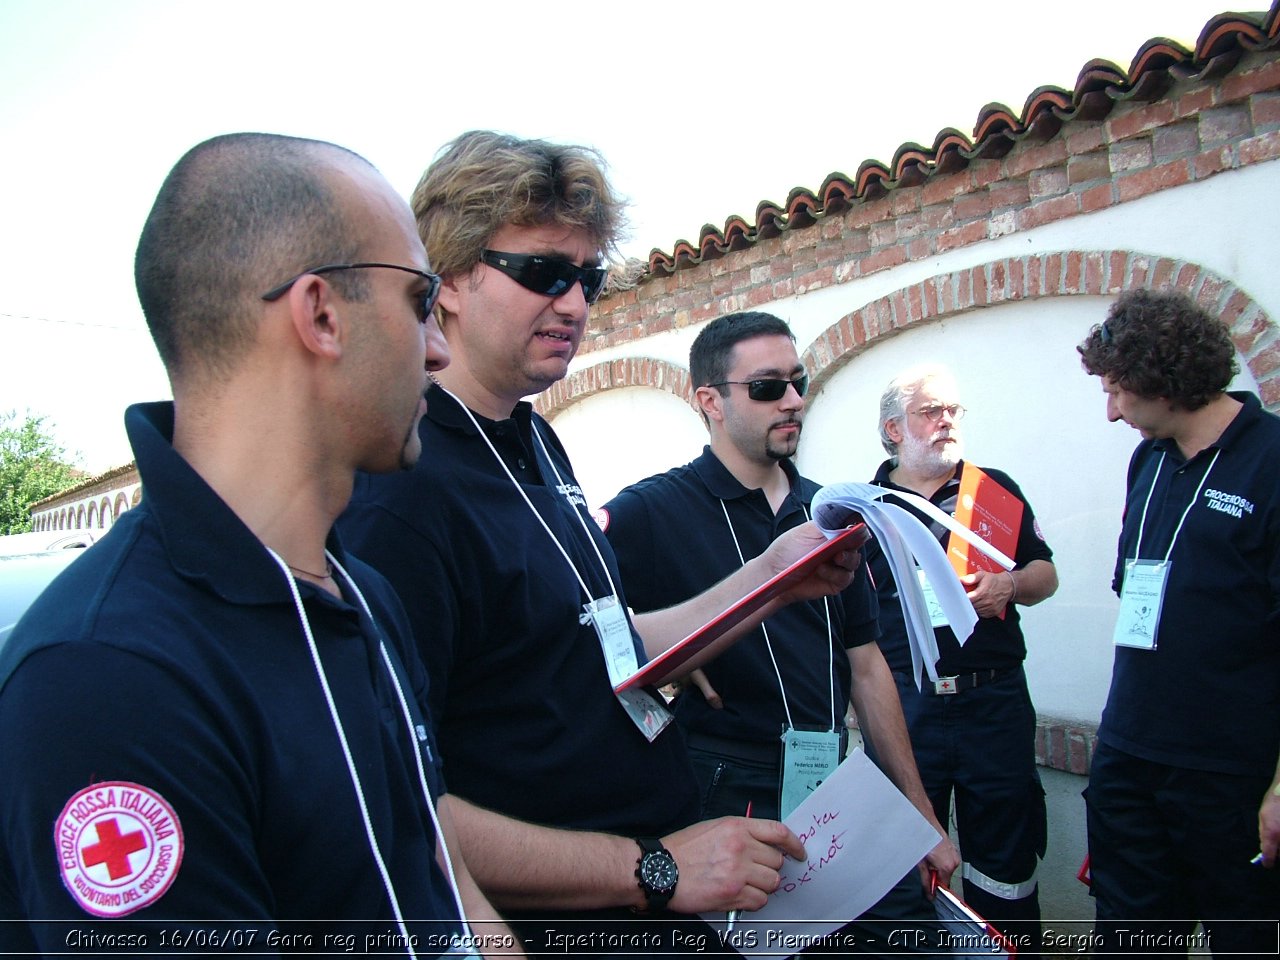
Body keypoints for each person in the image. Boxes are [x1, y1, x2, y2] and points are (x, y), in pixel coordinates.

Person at [338, 132, 859, 955]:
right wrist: (653, 867)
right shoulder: (400, 490)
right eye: (545, 273)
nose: (576, 304)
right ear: (447, 281)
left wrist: (772, 579)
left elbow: (609, 649)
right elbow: (399, 801)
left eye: (589, 278)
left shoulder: (535, 441)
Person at [0, 133, 514, 956]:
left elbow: (442, 876)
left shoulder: (362, 597)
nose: (439, 346)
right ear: (319, 313)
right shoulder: (106, 678)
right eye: (421, 301)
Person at [598, 311, 961, 953]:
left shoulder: (832, 511)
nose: (793, 400)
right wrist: (678, 664)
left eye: (798, 382)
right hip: (721, 789)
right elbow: (597, 645)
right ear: (710, 400)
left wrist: (920, 812)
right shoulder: (648, 512)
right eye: (768, 387)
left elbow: (867, 664)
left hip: (834, 780)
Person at [1077, 288, 1280, 955]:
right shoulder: (1150, 461)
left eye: (1116, 392)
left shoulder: (1272, 461)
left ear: (1158, 378)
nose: (1110, 413)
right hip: (1132, 758)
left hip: (1233, 773)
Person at [865, 364, 1058, 956]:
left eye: (953, 410)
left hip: (992, 702)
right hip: (906, 706)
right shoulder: (862, 507)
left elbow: (1046, 576)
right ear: (894, 429)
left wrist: (1010, 587)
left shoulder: (993, 490)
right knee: (902, 852)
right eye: (931, 411)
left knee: (1005, 855)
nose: (946, 421)